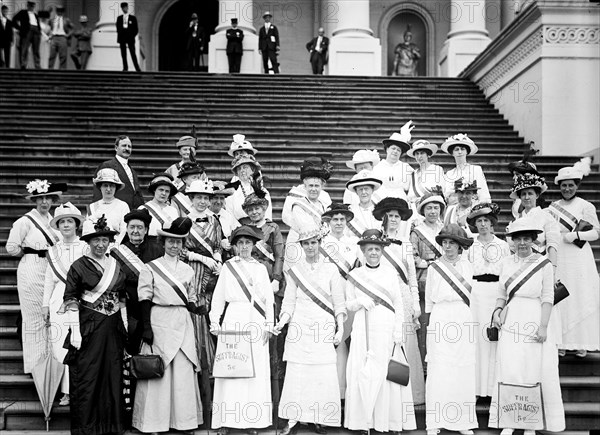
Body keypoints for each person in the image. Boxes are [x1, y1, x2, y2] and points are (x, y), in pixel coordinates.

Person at [488, 219, 566, 434]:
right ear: (512, 241)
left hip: (534, 317)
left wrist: (543, 326)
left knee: (532, 370)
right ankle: (511, 422)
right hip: (511, 320)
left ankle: (530, 424)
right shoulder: (505, 263)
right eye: (518, 239)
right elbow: (501, 294)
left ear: (533, 240)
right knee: (511, 369)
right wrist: (496, 311)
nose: (522, 243)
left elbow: (548, 296)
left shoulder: (544, 264)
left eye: (526, 239)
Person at [132, 217, 204, 433]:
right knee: (158, 371)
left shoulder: (188, 270)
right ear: (163, 244)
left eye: (179, 242)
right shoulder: (150, 268)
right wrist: (146, 327)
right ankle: (153, 423)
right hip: (159, 319)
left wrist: (196, 308)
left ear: (183, 245)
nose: (174, 245)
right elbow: (144, 298)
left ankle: (183, 422)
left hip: (182, 320)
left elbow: (190, 298)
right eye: (170, 242)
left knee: (182, 369)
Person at [61, 215, 128, 435]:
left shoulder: (116, 265)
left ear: (110, 242)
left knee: (112, 375)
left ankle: (111, 426)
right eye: (96, 240)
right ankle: (87, 428)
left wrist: (125, 324)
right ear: (88, 242)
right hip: (88, 327)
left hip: (113, 327)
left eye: (105, 240)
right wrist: (76, 331)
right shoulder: (78, 266)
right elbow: (70, 298)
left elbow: (122, 297)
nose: (100, 245)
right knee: (88, 376)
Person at [344, 229, 416, 434]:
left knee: (386, 372)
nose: (373, 252)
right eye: (369, 249)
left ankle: (388, 421)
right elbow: (348, 304)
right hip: (362, 328)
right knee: (363, 370)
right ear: (363, 251)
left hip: (385, 327)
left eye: (377, 249)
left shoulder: (390, 274)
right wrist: (359, 301)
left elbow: (399, 304)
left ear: (382, 251)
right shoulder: (355, 276)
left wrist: (398, 330)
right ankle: (362, 421)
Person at [276, 229, 346, 434]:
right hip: (300, 325)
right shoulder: (295, 271)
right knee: (298, 373)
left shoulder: (331, 270)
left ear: (320, 243)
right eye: (306, 243)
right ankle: (294, 419)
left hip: (322, 325)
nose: (310, 247)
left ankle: (319, 418)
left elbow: (338, 303)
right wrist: (282, 322)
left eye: (314, 242)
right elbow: (288, 302)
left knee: (321, 373)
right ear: (301, 246)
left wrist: (340, 327)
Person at [209, 226, 275, 434]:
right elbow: (219, 296)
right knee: (231, 366)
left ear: (253, 245)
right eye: (240, 243)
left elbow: (269, 299)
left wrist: (269, 324)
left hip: (255, 319)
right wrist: (215, 320)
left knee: (255, 369)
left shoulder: (260, 268)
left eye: (248, 243)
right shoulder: (228, 267)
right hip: (234, 318)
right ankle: (226, 421)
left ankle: (251, 420)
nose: (244, 246)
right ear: (235, 246)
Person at [5, 179, 62, 374]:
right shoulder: (24, 221)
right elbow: (11, 247)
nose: (44, 202)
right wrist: (30, 254)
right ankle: (34, 366)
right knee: (33, 318)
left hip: (50, 270)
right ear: (34, 201)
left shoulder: (55, 221)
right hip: (31, 270)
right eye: (40, 199)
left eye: (48, 198)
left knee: (50, 317)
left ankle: (49, 364)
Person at [425, 224, 476, 435]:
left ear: (460, 246)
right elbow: (428, 301)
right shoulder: (433, 268)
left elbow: (474, 297)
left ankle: (462, 422)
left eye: (452, 243)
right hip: (441, 317)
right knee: (439, 367)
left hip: (462, 316)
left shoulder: (468, 267)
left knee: (461, 367)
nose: (447, 247)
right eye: (445, 242)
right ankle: (434, 421)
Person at [373, 197, 425, 405]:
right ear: (383, 218)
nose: (394, 219)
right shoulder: (376, 242)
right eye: (391, 216)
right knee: (385, 343)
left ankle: (407, 396)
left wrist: (416, 304)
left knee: (404, 345)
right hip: (383, 298)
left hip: (403, 298)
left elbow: (412, 277)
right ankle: (387, 396)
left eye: (397, 216)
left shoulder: (406, 244)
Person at [181, 179, 223, 422]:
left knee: (212, 315)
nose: (203, 201)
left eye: (206, 198)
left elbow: (217, 245)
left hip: (212, 276)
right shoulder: (184, 219)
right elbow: (180, 249)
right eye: (198, 197)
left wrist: (216, 258)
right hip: (192, 273)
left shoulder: (215, 220)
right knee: (197, 317)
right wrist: (202, 258)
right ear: (191, 198)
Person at [242, 189, 285, 417]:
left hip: (269, 282)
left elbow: (279, 255)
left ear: (264, 208)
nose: (255, 211)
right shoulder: (242, 228)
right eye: (251, 209)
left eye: (258, 207)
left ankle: (274, 401)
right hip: (248, 284)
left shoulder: (273, 228)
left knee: (272, 338)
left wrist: (277, 278)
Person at [550, 159, 599, 356]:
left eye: (571, 185)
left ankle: (581, 343)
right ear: (559, 187)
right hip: (561, 255)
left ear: (577, 185)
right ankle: (562, 342)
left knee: (580, 295)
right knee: (562, 296)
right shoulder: (553, 207)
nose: (567, 189)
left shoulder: (586, 206)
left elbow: (596, 232)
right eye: (564, 185)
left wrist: (577, 235)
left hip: (579, 257)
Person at [42, 202, 86, 407]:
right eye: (62, 222)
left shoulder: (86, 246)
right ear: (57, 226)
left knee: (81, 344)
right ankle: (66, 392)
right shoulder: (52, 251)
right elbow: (49, 280)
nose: (66, 225)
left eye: (70, 221)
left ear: (77, 224)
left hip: (82, 298)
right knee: (61, 347)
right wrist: (44, 305)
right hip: (58, 299)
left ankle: (82, 388)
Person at [465, 203, 510, 398]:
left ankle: (493, 389)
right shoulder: (470, 246)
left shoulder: (503, 246)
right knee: (476, 339)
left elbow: (508, 274)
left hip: (496, 294)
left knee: (493, 338)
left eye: (486, 221)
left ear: (493, 224)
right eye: (479, 221)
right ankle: (475, 389)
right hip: (475, 294)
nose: (483, 224)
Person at [320, 203, 359, 400]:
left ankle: (348, 394)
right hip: (328, 299)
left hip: (350, 298)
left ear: (347, 221)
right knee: (332, 345)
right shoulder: (321, 243)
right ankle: (331, 394)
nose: (338, 223)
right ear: (328, 221)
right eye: (334, 219)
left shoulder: (354, 243)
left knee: (349, 342)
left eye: (342, 219)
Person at [113, 208, 163, 354]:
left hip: (153, 305)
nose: (135, 231)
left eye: (140, 227)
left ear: (146, 230)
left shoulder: (157, 250)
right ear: (126, 229)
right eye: (132, 227)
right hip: (128, 307)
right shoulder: (117, 253)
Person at [409, 188, 445, 363]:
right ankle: (424, 366)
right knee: (425, 323)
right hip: (424, 281)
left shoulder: (444, 228)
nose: (432, 211)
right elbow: (413, 257)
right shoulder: (416, 231)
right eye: (429, 208)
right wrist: (428, 263)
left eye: (436, 208)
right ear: (423, 210)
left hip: (444, 281)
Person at [282, 157, 332, 268]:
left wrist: (321, 232)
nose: (313, 188)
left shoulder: (325, 195)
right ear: (304, 181)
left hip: (319, 240)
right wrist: (306, 231)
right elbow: (286, 217)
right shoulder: (295, 193)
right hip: (298, 236)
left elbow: (328, 217)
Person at [509, 173, 559, 264]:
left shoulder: (547, 217)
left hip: (540, 265)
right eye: (523, 194)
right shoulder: (516, 220)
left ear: (537, 195)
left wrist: (553, 267)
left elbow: (552, 246)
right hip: (519, 267)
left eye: (530, 193)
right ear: (520, 197)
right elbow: (512, 248)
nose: (527, 197)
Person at [93, 135, 145, 209]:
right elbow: (98, 191)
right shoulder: (107, 165)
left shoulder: (132, 171)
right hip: (114, 210)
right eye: (124, 146)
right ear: (116, 148)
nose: (127, 148)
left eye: (129, 146)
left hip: (132, 213)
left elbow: (136, 193)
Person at [441, 133, 491, 205]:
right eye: (456, 149)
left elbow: (483, 192)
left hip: (473, 208)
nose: (460, 152)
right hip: (454, 210)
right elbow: (447, 196)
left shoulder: (476, 169)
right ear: (452, 153)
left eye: (462, 149)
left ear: (467, 152)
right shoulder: (449, 174)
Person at [372, 120, 415, 200]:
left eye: (398, 150)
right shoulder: (377, 167)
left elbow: (412, 187)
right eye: (393, 148)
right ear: (387, 149)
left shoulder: (406, 168)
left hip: (401, 200)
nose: (395, 151)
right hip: (380, 200)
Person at [225, 154, 273, 221]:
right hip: (240, 229)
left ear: (252, 170)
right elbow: (229, 216)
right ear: (237, 173)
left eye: (245, 167)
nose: (242, 171)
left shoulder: (262, 190)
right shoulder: (232, 191)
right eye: (239, 169)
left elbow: (267, 215)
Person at [88, 168, 130, 237]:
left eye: (112, 186)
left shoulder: (123, 206)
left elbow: (124, 231)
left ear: (116, 187)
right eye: (105, 185)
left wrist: (116, 246)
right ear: (100, 187)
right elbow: (88, 231)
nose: (108, 189)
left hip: (116, 244)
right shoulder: (92, 207)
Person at [139, 173, 179, 240]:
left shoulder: (173, 210)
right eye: (161, 190)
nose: (163, 193)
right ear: (154, 190)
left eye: (167, 191)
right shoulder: (143, 208)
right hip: (150, 244)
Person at [406, 139, 445, 207]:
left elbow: (440, 191)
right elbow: (410, 195)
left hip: (432, 205)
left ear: (428, 155)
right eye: (417, 154)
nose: (419, 156)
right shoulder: (414, 173)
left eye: (422, 153)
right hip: (416, 208)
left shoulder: (437, 169)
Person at [344, 170, 383, 238]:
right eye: (360, 189)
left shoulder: (381, 210)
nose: (363, 192)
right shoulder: (350, 211)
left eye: (366, 189)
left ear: (372, 190)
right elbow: (346, 235)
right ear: (356, 192)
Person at [13, 1, 41, 69]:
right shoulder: (23, 12)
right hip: (27, 30)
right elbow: (14, 19)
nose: (31, 7)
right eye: (30, 5)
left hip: (36, 30)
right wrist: (20, 28)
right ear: (27, 6)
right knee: (24, 48)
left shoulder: (35, 15)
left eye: (33, 6)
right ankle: (23, 64)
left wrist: (39, 30)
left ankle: (37, 65)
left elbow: (38, 24)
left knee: (36, 49)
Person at [116, 2, 140, 72]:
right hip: (122, 37)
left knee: (133, 53)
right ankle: (125, 68)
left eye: (125, 7)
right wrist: (122, 33)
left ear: (127, 7)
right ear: (122, 8)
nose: (124, 9)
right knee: (123, 54)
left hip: (130, 38)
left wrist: (131, 35)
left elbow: (136, 29)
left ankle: (137, 68)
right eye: (123, 8)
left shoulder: (133, 18)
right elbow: (118, 28)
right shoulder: (119, 18)